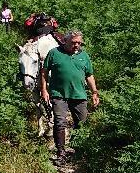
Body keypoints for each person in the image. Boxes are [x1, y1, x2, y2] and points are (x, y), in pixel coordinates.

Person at [39, 30, 100, 158]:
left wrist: (94, 92)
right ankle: (60, 152)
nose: (77, 45)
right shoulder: (54, 53)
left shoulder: (84, 56)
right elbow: (44, 72)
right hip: (59, 94)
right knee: (60, 122)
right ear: (65, 41)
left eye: (79, 43)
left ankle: (77, 151)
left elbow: (89, 75)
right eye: (74, 42)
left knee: (81, 123)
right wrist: (44, 90)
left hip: (79, 95)